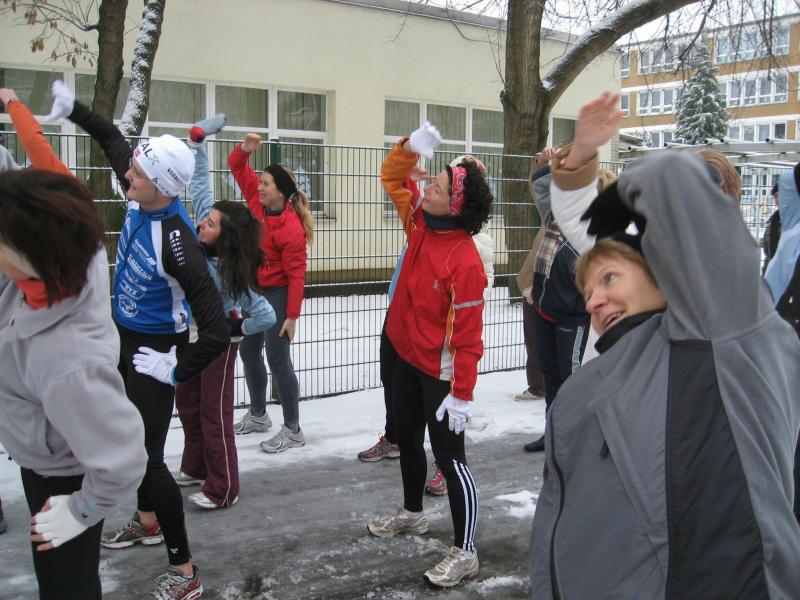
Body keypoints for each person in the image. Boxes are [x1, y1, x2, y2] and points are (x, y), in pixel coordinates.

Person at [529, 91, 800, 599]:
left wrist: (638, 188)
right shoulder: (638, 314)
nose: (595, 301)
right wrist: (581, 154)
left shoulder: (729, 329)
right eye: (591, 288)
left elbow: (670, 188)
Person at [43, 80, 229, 599]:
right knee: (121, 447)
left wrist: (175, 368)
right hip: (118, 340)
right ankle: (147, 520)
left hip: (153, 356)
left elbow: (217, 331)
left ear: (162, 186)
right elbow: (111, 138)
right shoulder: (142, 191)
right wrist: (72, 109)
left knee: (146, 462)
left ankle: (185, 572)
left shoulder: (180, 245)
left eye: (138, 173)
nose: (127, 173)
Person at [0, 168, 147, 600]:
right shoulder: (70, 251)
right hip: (39, 450)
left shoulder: (67, 360)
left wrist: (80, 511)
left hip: (65, 477)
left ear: (31, 255)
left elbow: (122, 462)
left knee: (65, 586)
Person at [367, 123, 492, 588]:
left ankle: (466, 551)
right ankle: (412, 512)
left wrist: (462, 393)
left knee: (451, 458)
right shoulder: (420, 223)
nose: (427, 188)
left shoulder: (465, 260)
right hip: (406, 357)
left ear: (453, 205)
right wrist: (410, 148)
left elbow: (469, 338)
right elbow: (391, 177)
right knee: (407, 438)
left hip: (440, 375)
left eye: (436, 187)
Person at [173, 117, 277, 510]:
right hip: (191, 336)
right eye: (206, 218)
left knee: (214, 413)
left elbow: (265, 315)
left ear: (226, 236)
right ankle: (195, 467)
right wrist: (198, 144)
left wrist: (237, 327)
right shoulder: (204, 225)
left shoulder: (233, 276)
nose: (202, 223)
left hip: (218, 344)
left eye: (211, 223)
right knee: (188, 403)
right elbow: (201, 186)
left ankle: (224, 488)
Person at [228, 133, 314, 453]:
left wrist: (291, 317)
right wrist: (245, 149)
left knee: (278, 358)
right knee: (249, 352)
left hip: (278, 294)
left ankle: (293, 429)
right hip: (254, 292)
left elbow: (296, 276)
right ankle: (258, 415)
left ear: (281, 192)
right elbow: (236, 166)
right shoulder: (257, 202)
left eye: (266, 184)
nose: (260, 187)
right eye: (261, 182)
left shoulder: (291, 228)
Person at [522, 148, 590, 452]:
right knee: (551, 377)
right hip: (545, 312)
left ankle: (575, 442)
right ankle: (553, 434)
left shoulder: (590, 228)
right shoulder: (556, 215)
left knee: (572, 380)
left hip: (572, 318)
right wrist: (545, 165)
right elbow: (542, 189)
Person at [762, 182, 781, 275]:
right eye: (775, 197)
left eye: (780, 196)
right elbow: (767, 254)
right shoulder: (772, 222)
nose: (777, 200)